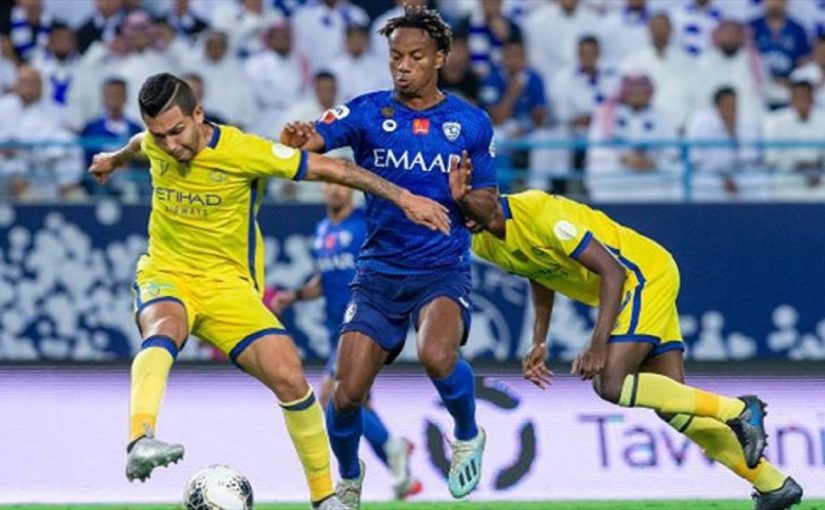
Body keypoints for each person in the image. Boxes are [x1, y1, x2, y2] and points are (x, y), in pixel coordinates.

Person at [87, 72, 450, 510]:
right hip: (167, 272)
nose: (169, 145)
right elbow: (137, 145)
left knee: (292, 378)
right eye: (159, 135)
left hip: (230, 289)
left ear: (198, 114)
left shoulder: (245, 152)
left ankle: (325, 499)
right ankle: (140, 439)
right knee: (165, 326)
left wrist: (405, 198)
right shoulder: (155, 142)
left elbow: (336, 169)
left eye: (177, 131)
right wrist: (113, 159)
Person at [447, 157, 804, 510]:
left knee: (611, 384)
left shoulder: (540, 213)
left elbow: (613, 272)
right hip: (637, 286)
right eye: (459, 209)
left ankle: (739, 409)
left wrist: (598, 345)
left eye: (468, 202)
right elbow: (538, 273)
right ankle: (773, 485)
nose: (466, 216)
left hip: (643, 275)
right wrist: (539, 340)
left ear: (492, 193)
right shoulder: (482, 242)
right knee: (676, 407)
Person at [279, 6, 495, 508]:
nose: (403, 66)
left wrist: (465, 198)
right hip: (378, 273)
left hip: (441, 269)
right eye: (396, 56)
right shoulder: (367, 112)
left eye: (416, 56)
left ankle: (468, 433)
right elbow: (314, 139)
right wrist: (297, 140)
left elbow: (489, 207)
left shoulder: (470, 123)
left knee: (437, 355)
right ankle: (349, 479)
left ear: (439, 58)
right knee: (346, 394)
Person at [270, 182, 422, 500]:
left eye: (341, 185)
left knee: (331, 397)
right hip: (334, 330)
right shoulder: (323, 229)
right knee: (358, 402)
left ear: (352, 190)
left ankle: (390, 449)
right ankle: (401, 474)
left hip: (360, 325)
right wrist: (294, 295)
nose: (335, 191)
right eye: (329, 185)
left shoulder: (364, 224)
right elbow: (325, 280)